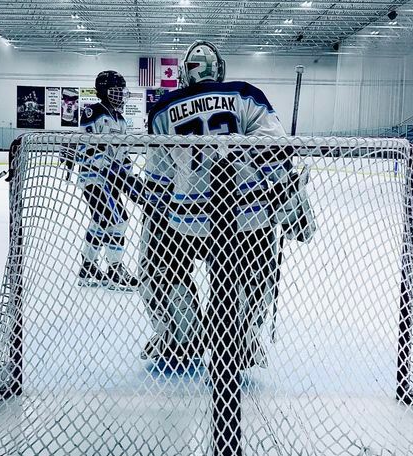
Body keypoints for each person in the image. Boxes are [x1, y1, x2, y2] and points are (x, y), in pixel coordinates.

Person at [139, 40, 315, 371]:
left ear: (185, 73)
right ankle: (242, 340)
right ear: (219, 70)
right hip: (247, 214)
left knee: (160, 271)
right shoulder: (245, 94)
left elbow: (159, 179)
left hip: (186, 219)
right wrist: (296, 214)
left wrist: (154, 223)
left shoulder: (163, 109)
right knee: (254, 274)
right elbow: (276, 158)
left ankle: (181, 338)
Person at [66, 70, 139, 289]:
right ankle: (115, 270)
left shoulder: (121, 120)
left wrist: (130, 178)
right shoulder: (93, 112)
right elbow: (87, 146)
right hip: (94, 179)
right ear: (103, 91)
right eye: (115, 91)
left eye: (121, 91)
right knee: (118, 220)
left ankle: (88, 266)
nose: (120, 95)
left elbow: (123, 154)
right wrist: (106, 166)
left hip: (111, 179)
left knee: (100, 222)